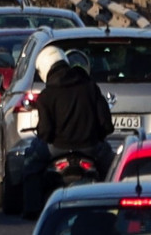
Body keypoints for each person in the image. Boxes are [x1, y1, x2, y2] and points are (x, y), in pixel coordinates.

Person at [21, 45, 115, 215]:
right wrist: (96, 137)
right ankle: (115, 206)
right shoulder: (90, 87)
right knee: (114, 168)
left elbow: (45, 133)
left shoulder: (46, 95)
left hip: (56, 149)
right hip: (91, 148)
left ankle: (32, 209)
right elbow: (106, 125)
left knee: (30, 165)